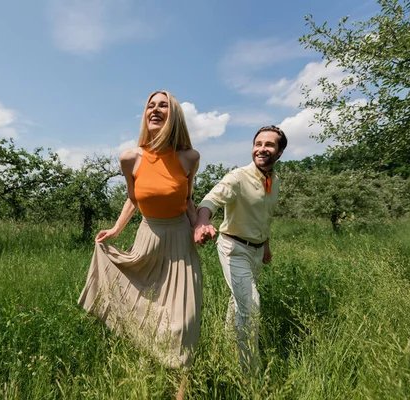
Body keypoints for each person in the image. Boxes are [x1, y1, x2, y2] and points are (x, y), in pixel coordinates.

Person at [78, 90, 202, 373]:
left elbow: (188, 200)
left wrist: (200, 226)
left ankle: (181, 383)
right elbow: (133, 199)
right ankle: (151, 368)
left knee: (185, 319)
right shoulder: (130, 158)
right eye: (151, 106)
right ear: (145, 114)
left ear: (175, 117)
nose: (156, 110)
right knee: (147, 310)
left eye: (164, 106)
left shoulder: (189, 158)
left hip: (181, 243)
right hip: (148, 239)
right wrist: (116, 228)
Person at [193, 125, 287, 374]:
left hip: (256, 250)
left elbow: (265, 216)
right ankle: (249, 373)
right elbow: (211, 200)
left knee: (239, 300)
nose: (262, 149)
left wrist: (265, 245)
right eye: (258, 144)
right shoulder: (237, 177)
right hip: (233, 247)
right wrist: (203, 221)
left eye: (269, 145)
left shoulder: (274, 181)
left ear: (279, 153)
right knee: (251, 304)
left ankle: (227, 347)